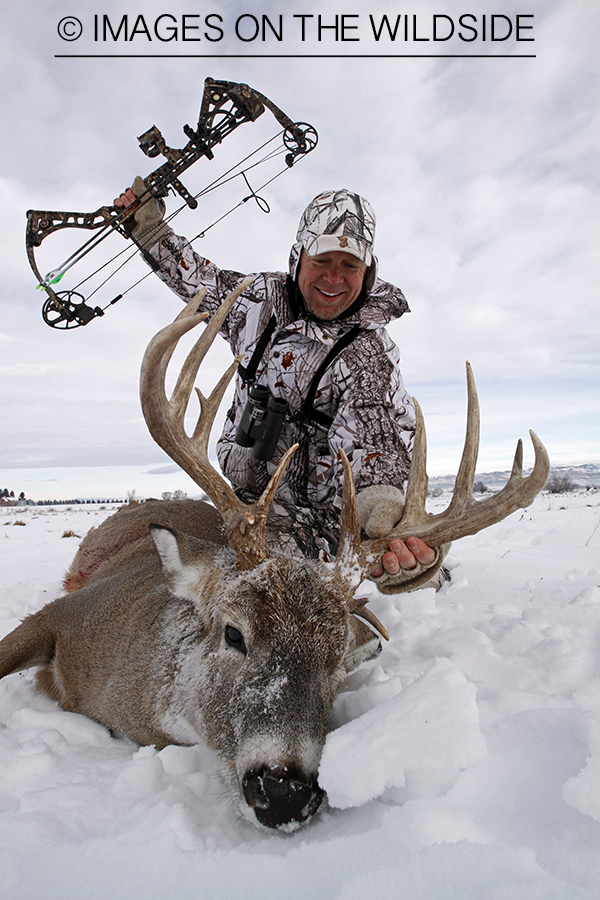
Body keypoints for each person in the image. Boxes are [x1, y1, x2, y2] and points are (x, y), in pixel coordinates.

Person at [115, 181, 449, 592]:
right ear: (298, 258)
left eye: (350, 266)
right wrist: (149, 231)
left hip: (320, 517)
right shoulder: (257, 303)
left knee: (245, 579)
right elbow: (198, 280)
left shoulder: (368, 356)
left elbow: (374, 441)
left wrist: (384, 518)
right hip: (242, 498)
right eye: (322, 260)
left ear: (368, 271)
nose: (333, 278)